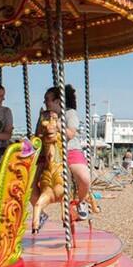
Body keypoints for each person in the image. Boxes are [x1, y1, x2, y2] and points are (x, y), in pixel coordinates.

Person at [42, 85, 97, 220]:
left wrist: (56, 123)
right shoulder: (44, 115)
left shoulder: (69, 113)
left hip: (70, 149)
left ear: (57, 101)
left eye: (47, 99)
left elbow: (71, 134)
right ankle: (40, 212)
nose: (45, 103)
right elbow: (39, 133)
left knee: (84, 177)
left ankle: (81, 201)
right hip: (50, 151)